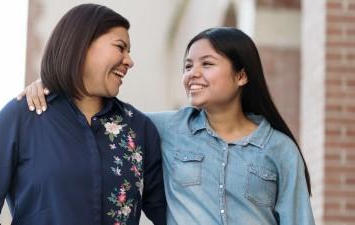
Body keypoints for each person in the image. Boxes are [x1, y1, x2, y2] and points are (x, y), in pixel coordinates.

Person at [20, 27, 315, 224]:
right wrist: (55, 85)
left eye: (207, 64)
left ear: (241, 76)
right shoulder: (161, 128)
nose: (192, 74)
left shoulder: (279, 149)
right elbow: (98, 111)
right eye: (188, 66)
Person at [0, 4, 166, 225]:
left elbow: (170, 212)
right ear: (83, 44)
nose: (129, 61)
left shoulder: (139, 128)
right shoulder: (23, 116)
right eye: (120, 47)